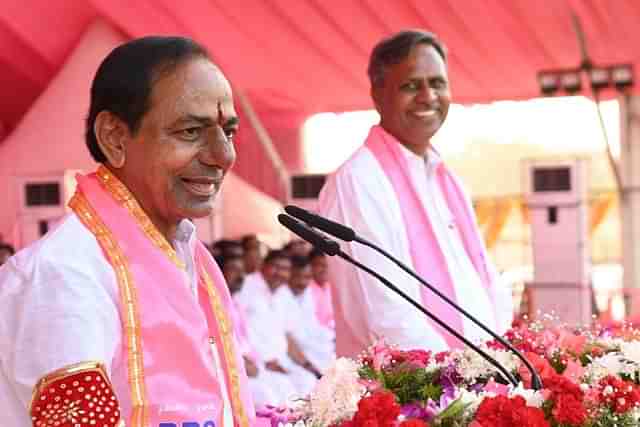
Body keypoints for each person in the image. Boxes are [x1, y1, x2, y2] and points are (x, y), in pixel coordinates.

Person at [0, 36, 256, 427]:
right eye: (190, 131)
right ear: (114, 137)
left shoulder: (188, 257)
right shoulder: (65, 276)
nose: (224, 155)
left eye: (229, 132)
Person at [318, 30, 513, 358]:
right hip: (417, 388)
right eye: (411, 85)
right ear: (378, 94)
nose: (428, 97)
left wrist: (502, 355)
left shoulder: (446, 179)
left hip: (478, 373)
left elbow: (486, 279)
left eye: (437, 83)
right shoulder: (359, 180)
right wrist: (457, 376)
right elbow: (385, 313)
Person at [234, 250, 318, 397]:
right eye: (275, 267)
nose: (280, 273)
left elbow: (288, 336)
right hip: (257, 364)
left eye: (285, 269)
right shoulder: (246, 286)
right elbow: (237, 331)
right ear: (263, 266)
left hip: (281, 362)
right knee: (279, 395)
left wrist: (306, 364)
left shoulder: (284, 293)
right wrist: (262, 361)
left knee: (309, 382)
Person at [273, 256, 335, 373]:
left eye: (306, 277)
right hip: (293, 354)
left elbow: (313, 326)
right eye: (297, 277)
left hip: (313, 347)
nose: (302, 282)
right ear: (289, 275)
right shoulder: (280, 296)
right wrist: (307, 364)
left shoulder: (306, 293)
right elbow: (287, 338)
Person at [307, 248, 335, 329]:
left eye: (327, 265)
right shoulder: (304, 288)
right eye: (320, 265)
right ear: (310, 266)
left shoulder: (333, 287)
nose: (324, 270)